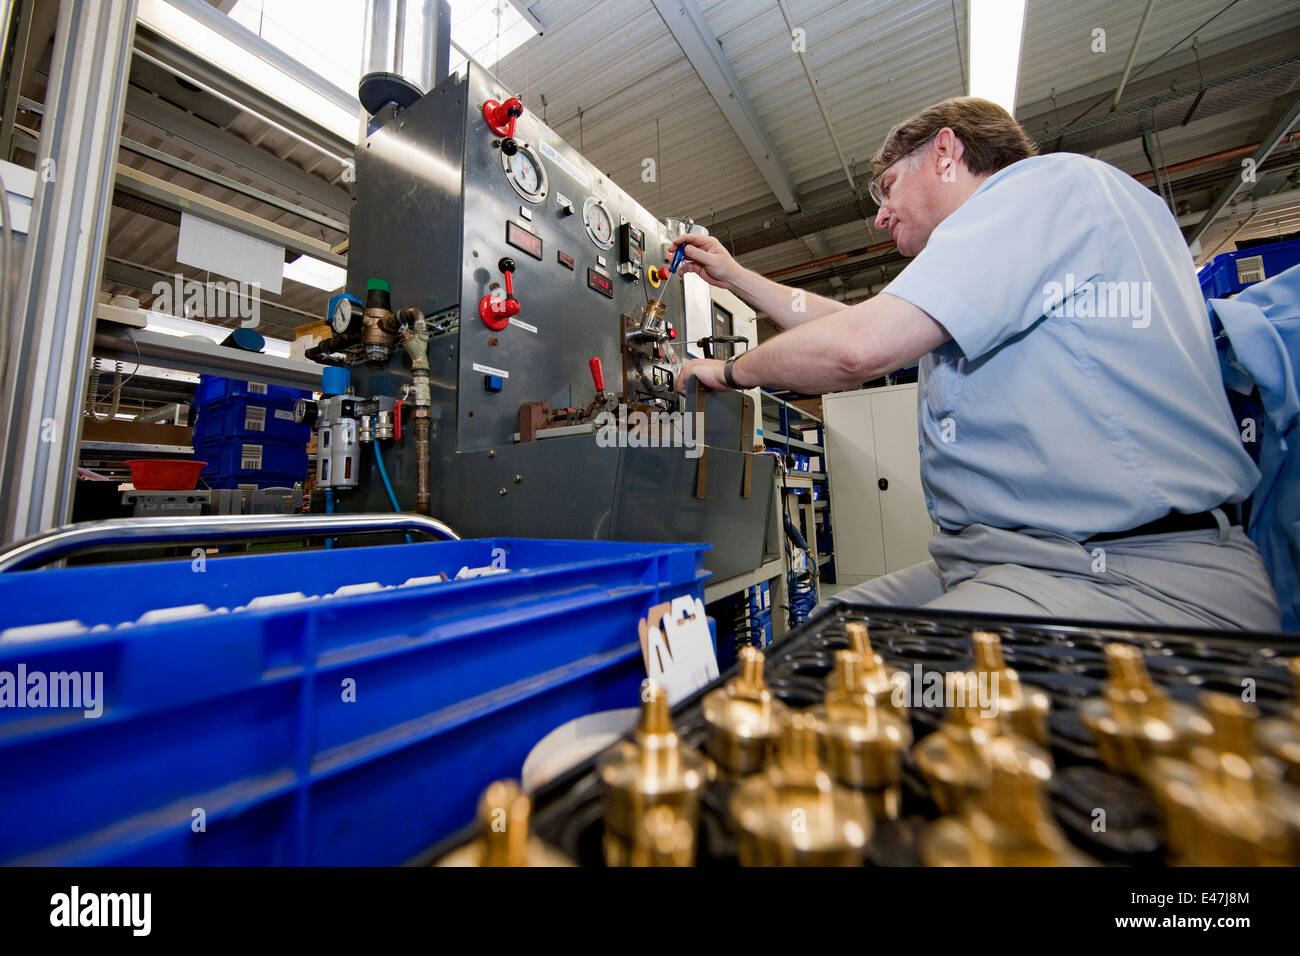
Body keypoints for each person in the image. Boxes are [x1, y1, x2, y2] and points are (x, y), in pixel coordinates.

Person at [670, 96, 1281, 632]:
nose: (880, 216)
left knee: (857, 688)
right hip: (1022, 563)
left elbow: (856, 347)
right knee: (834, 627)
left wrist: (725, 372)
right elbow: (848, 322)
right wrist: (736, 277)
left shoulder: (1045, 187)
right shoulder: (1020, 237)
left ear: (944, 152)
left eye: (886, 187)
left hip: (1123, 574)